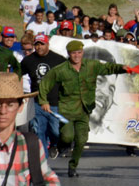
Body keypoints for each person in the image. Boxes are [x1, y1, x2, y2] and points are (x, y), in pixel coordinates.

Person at [38, 40, 126, 178]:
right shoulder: (60, 70)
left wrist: (124, 68)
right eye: (74, 53)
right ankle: (61, 145)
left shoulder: (92, 65)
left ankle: (73, 166)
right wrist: (43, 101)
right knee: (67, 136)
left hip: (84, 111)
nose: (77, 56)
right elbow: (44, 83)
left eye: (79, 52)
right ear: (69, 54)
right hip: (67, 110)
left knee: (81, 140)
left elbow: (109, 68)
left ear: (82, 53)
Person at [20, 35, 66, 159]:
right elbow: (17, 74)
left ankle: (54, 145)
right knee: (38, 131)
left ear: (48, 45)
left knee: (55, 131)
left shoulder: (59, 60)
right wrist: (20, 94)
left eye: (42, 44)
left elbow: (67, 78)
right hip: (36, 102)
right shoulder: (28, 60)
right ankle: (43, 161)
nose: (39, 47)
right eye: (37, 44)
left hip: (55, 102)